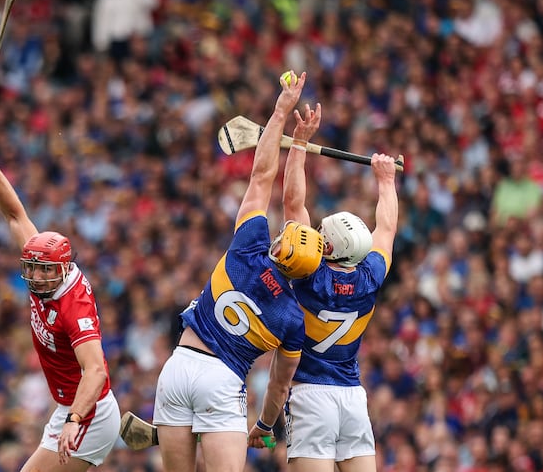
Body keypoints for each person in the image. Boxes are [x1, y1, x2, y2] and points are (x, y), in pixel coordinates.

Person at [151, 71, 324, 472]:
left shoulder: (248, 247)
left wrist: (282, 109)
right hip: (222, 383)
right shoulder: (293, 319)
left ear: (280, 246)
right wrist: (264, 425)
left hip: (177, 368)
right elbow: (280, 383)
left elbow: (262, 176)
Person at [249, 105, 399, 472]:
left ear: (327, 246)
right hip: (351, 397)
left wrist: (299, 144)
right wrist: (386, 181)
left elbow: (292, 203)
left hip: (309, 394)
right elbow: (387, 228)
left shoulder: (307, 271)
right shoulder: (371, 275)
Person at [0, 126, 120, 471]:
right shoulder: (47, 269)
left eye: (43, 271)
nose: (35, 277)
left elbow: (95, 370)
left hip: (88, 415)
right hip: (69, 408)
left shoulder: (72, 305)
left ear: (63, 269)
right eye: (31, 269)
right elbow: (14, 214)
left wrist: (75, 419)